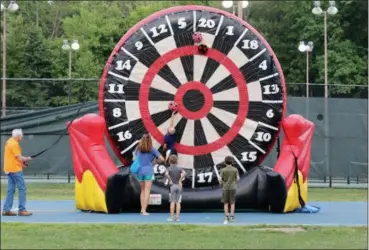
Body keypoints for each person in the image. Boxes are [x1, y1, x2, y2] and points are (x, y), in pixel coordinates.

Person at [2, 129, 33, 216]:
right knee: (22, 188)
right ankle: (22, 210)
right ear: (18, 136)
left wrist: (22, 164)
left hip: (9, 168)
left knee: (11, 190)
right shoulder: (15, 144)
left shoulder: (9, 141)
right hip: (15, 169)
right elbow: (19, 158)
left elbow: (14, 157)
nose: (22, 136)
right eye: (21, 135)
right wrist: (27, 158)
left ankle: (6, 210)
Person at [135, 134, 165, 215]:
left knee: (143, 190)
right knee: (147, 191)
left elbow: (134, 158)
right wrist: (154, 161)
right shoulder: (152, 149)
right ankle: (144, 211)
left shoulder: (138, 148)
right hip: (148, 170)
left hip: (139, 171)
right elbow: (162, 159)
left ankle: (142, 209)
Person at [219, 156, 240, 224]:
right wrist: (235, 183)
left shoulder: (223, 170)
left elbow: (220, 179)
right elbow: (238, 178)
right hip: (233, 188)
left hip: (225, 188)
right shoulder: (235, 169)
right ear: (232, 162)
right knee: (232, 203)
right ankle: (232, 217)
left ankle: (226, 217)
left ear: (225, 162)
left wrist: (222, 184)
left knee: (226, 203)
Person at [165, 155, 186, 222]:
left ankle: (171, 217)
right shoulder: (179, 168)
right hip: (179, 186)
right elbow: (184, 173)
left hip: (172, 186)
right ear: (177, 161)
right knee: (178, 202)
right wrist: (180, 180)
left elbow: (166, 174)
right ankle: (177, 217)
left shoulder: (169, 168)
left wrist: (170, 180)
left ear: (169, 161)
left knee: (172, 202)